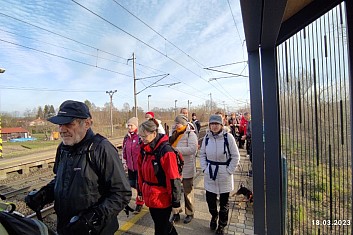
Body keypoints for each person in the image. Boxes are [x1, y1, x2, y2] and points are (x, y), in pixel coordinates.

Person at [25, 100, 131, 235]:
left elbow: (121, 193)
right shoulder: (63, 149)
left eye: (69, 123)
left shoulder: (101, 148)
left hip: (96, 231)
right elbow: (61, 180)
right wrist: (44, 194)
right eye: (60, 124)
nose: (62, 129)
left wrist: (92, 219)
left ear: (86, 123)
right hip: (66, 227)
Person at [137, 118, 182, 235]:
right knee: (162, 224)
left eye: (144, 136)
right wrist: (140, 191)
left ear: (154, 133)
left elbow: (173, 178)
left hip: (162, 198)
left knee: (161, 227)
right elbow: (140, 172)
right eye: (140, 136)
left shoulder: (165, 151)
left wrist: (176, 202)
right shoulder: (144, 150)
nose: (142, 139)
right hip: (151, 195)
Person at [200, 115, 240, 234]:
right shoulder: (207, 138)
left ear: (222, 125)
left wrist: (229, 171)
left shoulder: (229, 137)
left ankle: (222, 225)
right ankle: (214, 216)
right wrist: (205, 169)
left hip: (224, 174)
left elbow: (235, 156)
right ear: (209, 125)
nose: (215, 126)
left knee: (224, 203)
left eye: (217, 124)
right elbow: (202, 154)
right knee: (210, 201)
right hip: (210, 173)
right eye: (212, 124)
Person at [169, 115, 198, 224]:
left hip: (187, 167)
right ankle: (176, 213)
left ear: (184, 124)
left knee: (187, 192)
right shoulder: (173, 133)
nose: (177, 125)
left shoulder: (190, 134)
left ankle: (189, 213)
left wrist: (175, 150)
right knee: (175, 192)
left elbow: (192, 149)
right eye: (176, 123)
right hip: (174, 167)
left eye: (179, 123)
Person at [122, 117, 144, 212]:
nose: (129, 127)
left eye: (131, 125)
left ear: (136, 126)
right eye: (128, 125)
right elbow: (124, 151)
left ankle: (139, 203)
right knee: (132, 184)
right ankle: (142, 196)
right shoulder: (126, 138)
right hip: (131, 167)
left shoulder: (139, 137)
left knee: (139, 185)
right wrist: (124, 162)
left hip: (139, 167)